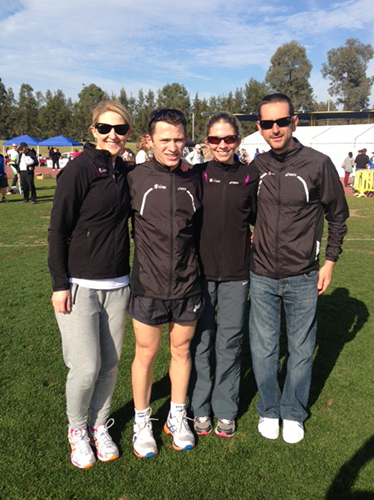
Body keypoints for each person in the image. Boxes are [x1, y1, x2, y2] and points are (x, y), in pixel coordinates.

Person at [249, 94, 349, 444]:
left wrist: (330, 262)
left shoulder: (318, 163)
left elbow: (338, 216)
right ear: (259, 127)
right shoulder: (256, 167)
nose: (274, 129)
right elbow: (243, 211)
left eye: (280, 121)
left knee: (302, 349)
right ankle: (268, 407)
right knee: (263, 350)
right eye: (266, 124)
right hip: (260, 274)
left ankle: (293, 411)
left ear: (294, 121)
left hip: (304, 275)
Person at [48, 100, 132, 469]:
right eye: (105, 128)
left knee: (110, 365)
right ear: (92, 130)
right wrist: (59, 283)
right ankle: (77, 430)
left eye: (120, 129)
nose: (112, 135)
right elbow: (57, 229)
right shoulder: (79, 169)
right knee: (85, 367)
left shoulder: (125, 171)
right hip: (79, 285)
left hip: (119, 283)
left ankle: (100, 425)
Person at [127, 108, 202, 458]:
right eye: (165, 140)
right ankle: (142, 422)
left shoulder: (194, 178)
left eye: (178, 139)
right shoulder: (133, 178)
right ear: (149, 140)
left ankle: (176, 415)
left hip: (188, 283)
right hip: (148, 284)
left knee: (182, 351)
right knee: (146, 354)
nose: (173, 147)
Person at [188, 112, 258, 438]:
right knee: (201, 343)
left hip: (235, 274)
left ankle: (226, 410)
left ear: (238, 141)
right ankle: (199, 407)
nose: (222, 144)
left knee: (229, 344)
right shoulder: (196, 176)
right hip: (199, 275)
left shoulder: (249, 177)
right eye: (215, 139)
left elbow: (260, 219)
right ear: (206, 142)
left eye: (228, 139)